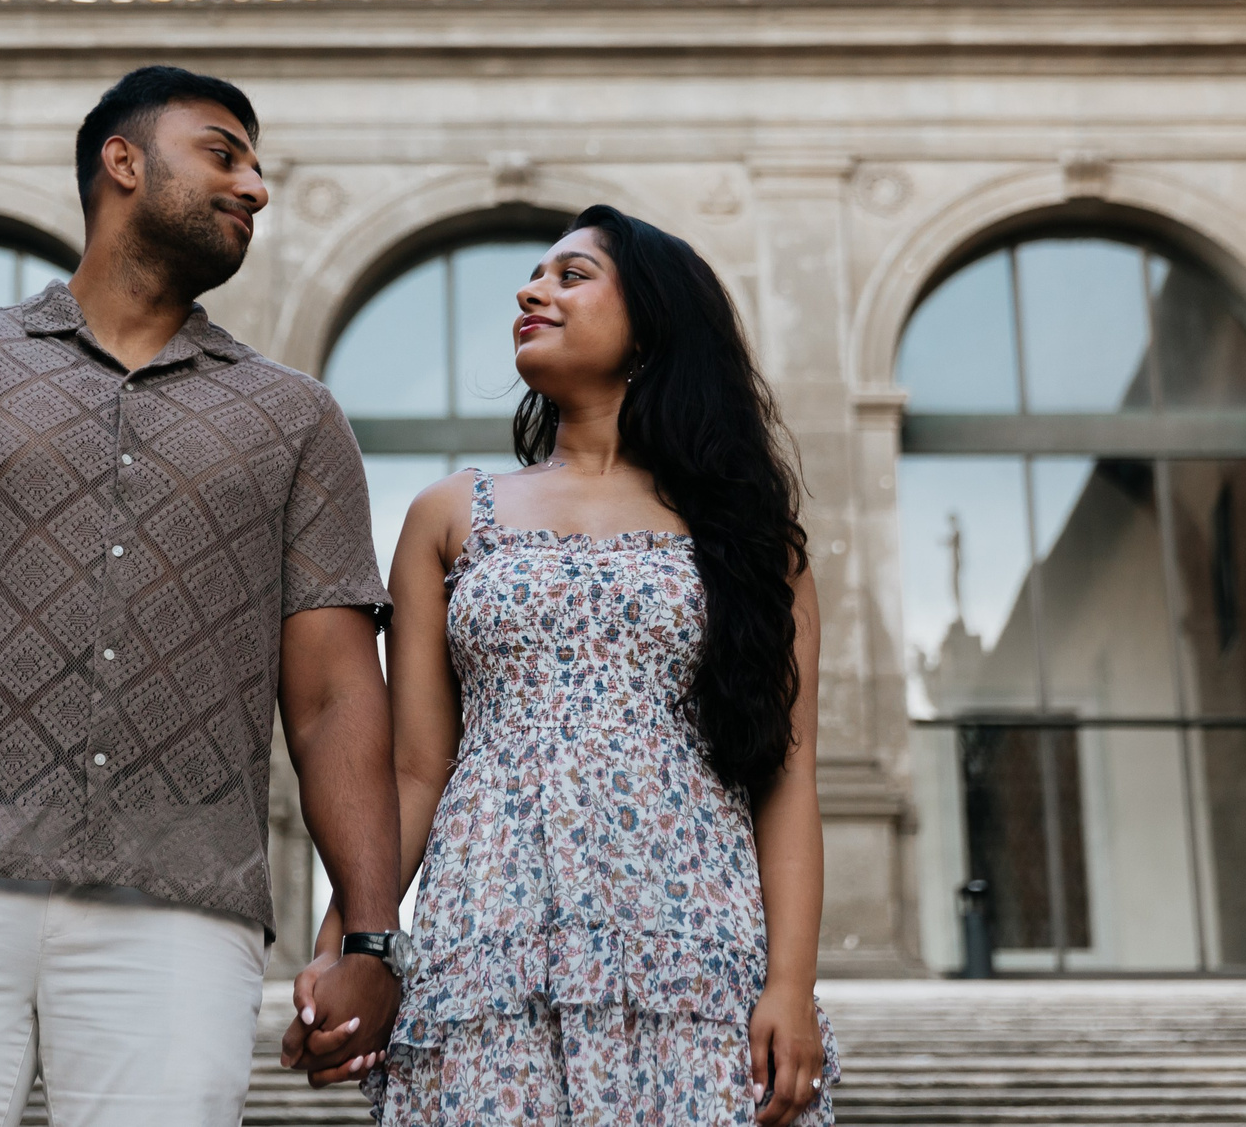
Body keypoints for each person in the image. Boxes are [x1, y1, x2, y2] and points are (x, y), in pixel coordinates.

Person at [0, 65, 407, 1127]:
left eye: (258, 168)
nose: (255, 187)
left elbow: (336, 699)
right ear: (123, 162)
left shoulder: (297, 422)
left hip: (180, 911)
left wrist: (366, 935)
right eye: (224, 153)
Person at [285, 204, 839, 1125]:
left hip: (694, 949)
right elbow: (416, 767)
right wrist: (355, 941)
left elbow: (785, 780)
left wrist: (790, 985)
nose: (531, 289)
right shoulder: (451, 511)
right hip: (490, 936)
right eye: (535, 276)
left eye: (571, 275)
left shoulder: (750, 542)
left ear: (654, 323)